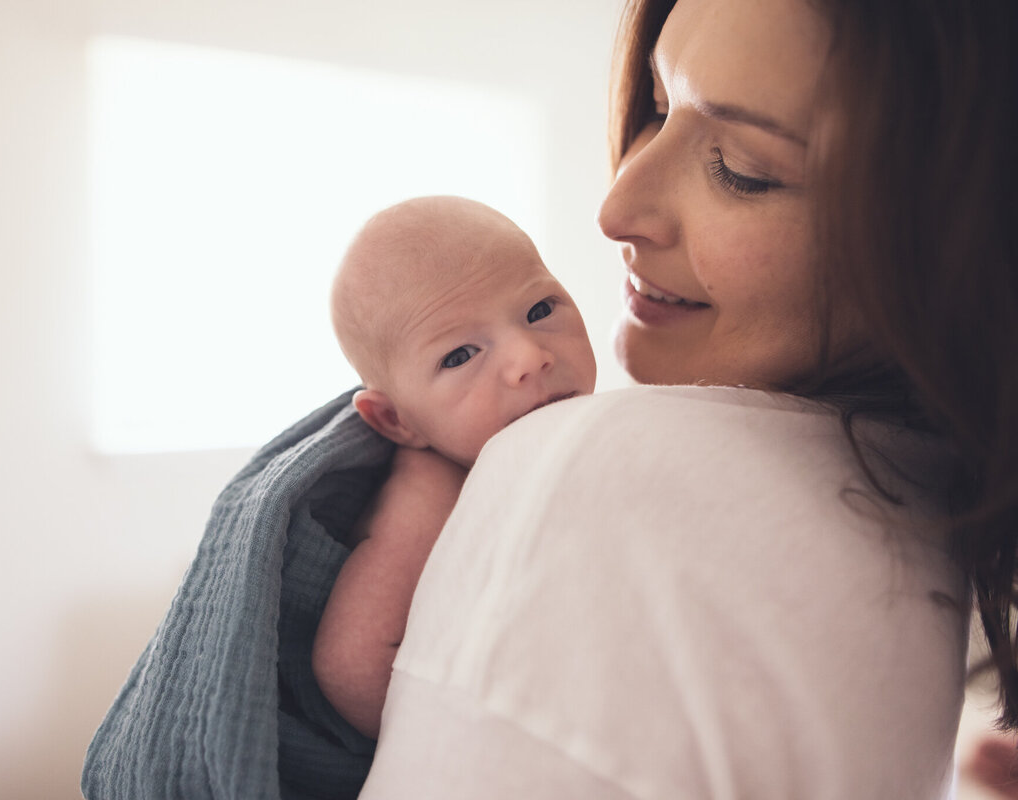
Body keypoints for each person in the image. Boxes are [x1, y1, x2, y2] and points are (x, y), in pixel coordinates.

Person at [357, 0, 1017, 798]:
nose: (615, 209)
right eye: (658, 108)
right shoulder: (920, 522)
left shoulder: (592, 471)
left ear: (964, 242)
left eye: (743, 168)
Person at [313, 195, 597, 738]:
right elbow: (352, 663)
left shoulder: (572, 430)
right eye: (461, 355)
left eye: (540, 310)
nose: (528, 358)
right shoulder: (428, 492)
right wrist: (457, 748)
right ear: (397, 420)